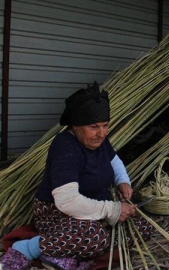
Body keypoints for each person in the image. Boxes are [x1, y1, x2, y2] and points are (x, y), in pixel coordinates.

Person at [0, 82, 153, 270]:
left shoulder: (100, 141)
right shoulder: (65, 147)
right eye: (94, 127)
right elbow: (67, 202)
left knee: (142, 226)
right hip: (57, 213)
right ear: (76, 126)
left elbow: (114, 161)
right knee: (94, 237)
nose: (101, 133)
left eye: (105, 126)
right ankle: (28, 248)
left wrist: (123, 182)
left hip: (94, 209)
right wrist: (113, 210)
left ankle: (63, 254)